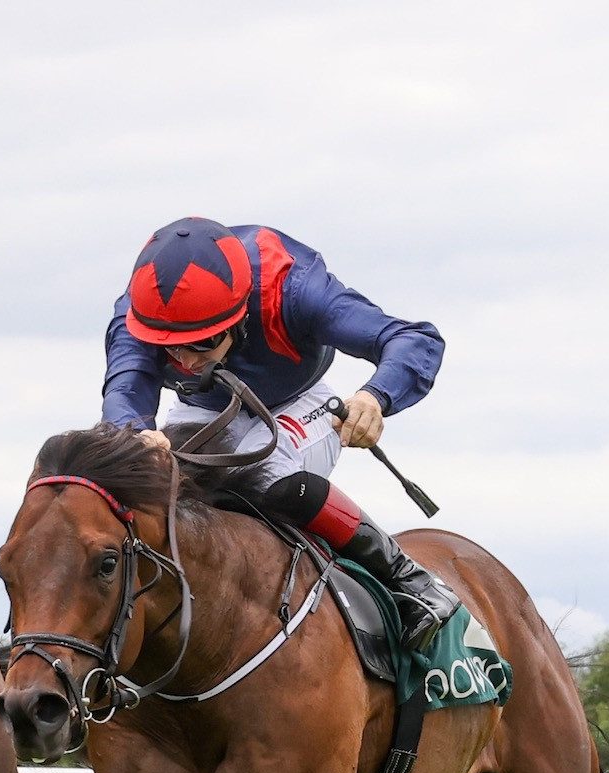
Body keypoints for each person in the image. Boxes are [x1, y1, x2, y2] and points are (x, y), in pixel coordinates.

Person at [102, 217, 458, 652]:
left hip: (300, 401)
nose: (182, 362)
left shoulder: (294, 287)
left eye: (199, 345)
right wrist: (135, 433)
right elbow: (125, 389)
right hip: (205, 409)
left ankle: (410, 580)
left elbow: (412, 339)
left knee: (262, 473)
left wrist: (374, 398)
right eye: (167, 346)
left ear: (240, 317)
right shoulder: (140, 311)